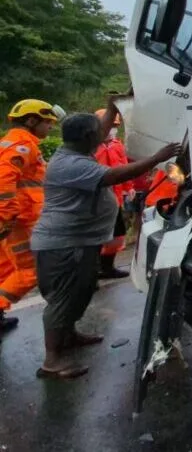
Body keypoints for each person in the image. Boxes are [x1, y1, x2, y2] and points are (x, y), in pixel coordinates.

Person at [30, 105, 181, 379]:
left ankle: (70, 335)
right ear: (88, 137)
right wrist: (157, 157)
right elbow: (115, 175)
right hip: (64, 245)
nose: (103, 134)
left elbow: (100, 136)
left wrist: (113, 108)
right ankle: (52, 360)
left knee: (82, 290)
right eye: (98, 132)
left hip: (80, 242)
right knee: (62, 299)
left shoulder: (78, 153)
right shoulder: (71, 164)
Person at [0, 99, 63, 336]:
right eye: (47, 123)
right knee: (30, 272)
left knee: (6, 269)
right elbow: (3, 179)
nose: (50, 128)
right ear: (31, 120)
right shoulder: (22, 144)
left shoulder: (10, 141)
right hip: (20, 220)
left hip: (15, 218)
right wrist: (5, 217)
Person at [93, 108, 132, 279]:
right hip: (96, 200)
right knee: (95, 239)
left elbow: (124, 168)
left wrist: (128, 187)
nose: (113, 129)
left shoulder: (117, 145)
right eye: (111, 125)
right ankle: (92, 273)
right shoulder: (91, 148)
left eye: (116, 126)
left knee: (116, 236)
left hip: (114, 199)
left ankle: (107, 268)